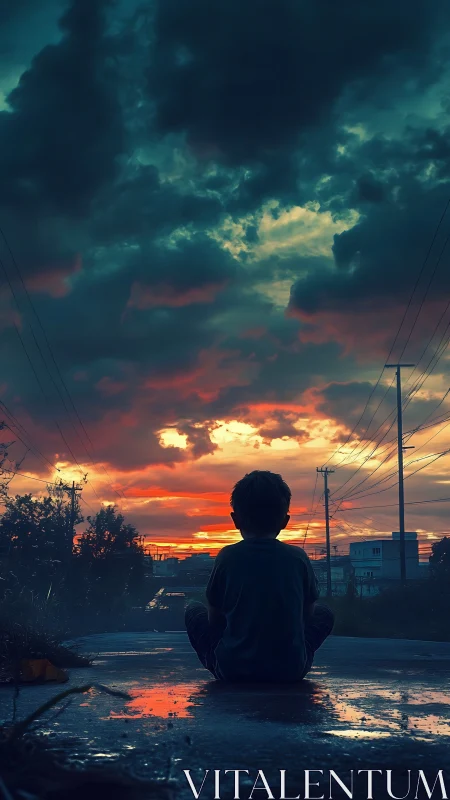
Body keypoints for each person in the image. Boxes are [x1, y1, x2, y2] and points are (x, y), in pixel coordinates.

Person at [185, 470, 334, 682]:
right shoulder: (298, 558)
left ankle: (228, 657)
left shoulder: (227, 557)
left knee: (193, 610)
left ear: (235, 520)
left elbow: (213, 619)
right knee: (325, 612)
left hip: (233, 670)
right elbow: (308, 615)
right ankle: (292, 655)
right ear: (285, 521)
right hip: (290, 670)